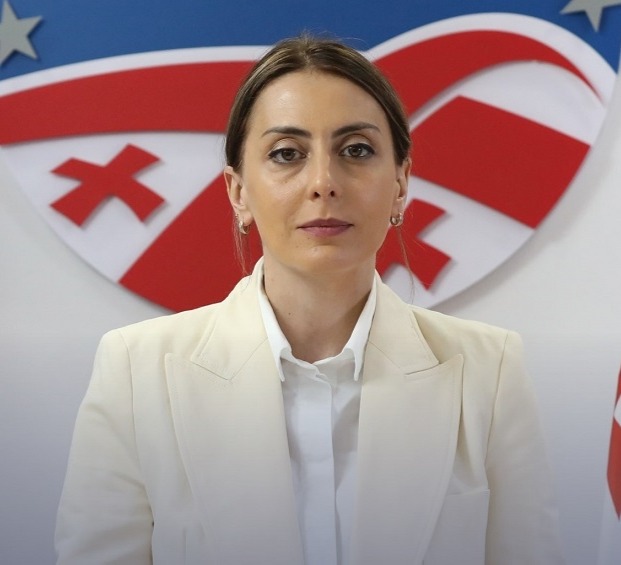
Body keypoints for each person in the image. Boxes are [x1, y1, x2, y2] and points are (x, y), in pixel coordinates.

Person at [55, 35, 564, 565]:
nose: (323, 182)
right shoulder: (136, 373)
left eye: (356, 150)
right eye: (286, 154)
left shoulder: (489, 372)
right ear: (238, 192)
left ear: (400, 183)